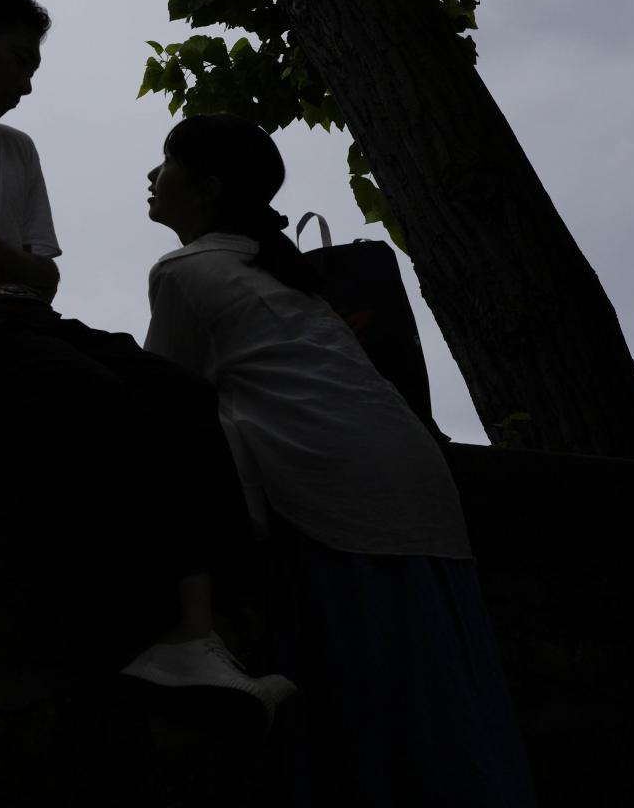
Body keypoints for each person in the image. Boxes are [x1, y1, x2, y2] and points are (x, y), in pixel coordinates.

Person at [0, 0, 291, 709]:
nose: (27, 84)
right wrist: (7, 266)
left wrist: (3, 267)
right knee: (83, 394)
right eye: (19, 61)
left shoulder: (16, 149)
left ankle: (195, 635)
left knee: (180, 396)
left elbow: (30, 275)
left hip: (9, 319)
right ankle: (126, 632)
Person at [142, 114, 534, 805]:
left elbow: (162, 400)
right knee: (450, 704)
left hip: (330, 492)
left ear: (204, 188)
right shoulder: (289, 280)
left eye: (166, 161)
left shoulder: (185, 271)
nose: (153, 175)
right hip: (414, 483)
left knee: (374, 713)